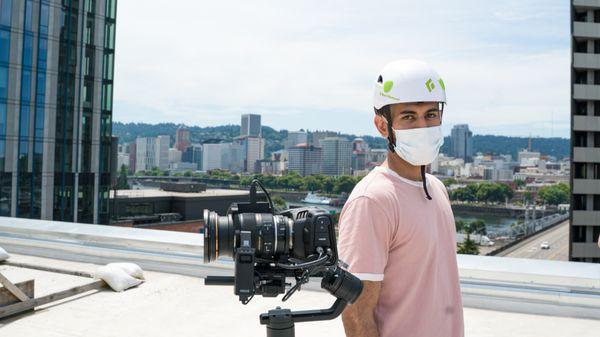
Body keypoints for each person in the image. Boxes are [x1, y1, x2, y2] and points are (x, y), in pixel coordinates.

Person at [338, 59, 464, 337]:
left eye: (431, 114)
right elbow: (357, 314)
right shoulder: (373, 201)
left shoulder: (436, 188)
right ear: (383, 126)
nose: (423, 126)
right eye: (409, 117)